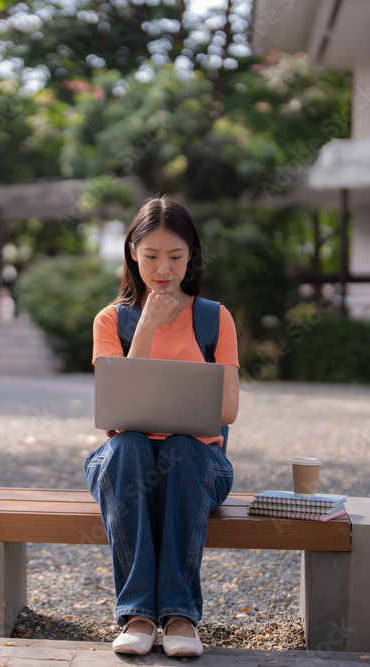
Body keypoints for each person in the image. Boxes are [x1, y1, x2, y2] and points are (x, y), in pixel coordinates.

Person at [83, 196, 240, 657]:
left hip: (197, 462)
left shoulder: (214, 318)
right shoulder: (111, 320)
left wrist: (179, 430)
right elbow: (117, 410)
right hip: (124, 462)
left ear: (191, 255)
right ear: (132, 251)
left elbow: (227, 410)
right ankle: (138, 614)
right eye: (151, 256)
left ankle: (179, 615)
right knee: (130, 444)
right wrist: (148, 325)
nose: (163, 269)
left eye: (175, 256)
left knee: (180, 448)